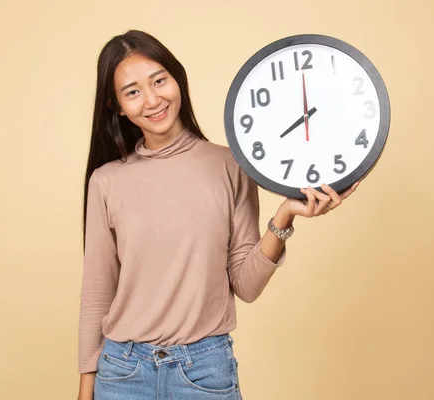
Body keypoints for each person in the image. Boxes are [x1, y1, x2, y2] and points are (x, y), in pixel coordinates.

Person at [77, 29, 360, 400]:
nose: (151, 99)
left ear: (177, 78)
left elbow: (246, 284)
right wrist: (86, 390)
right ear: (117, 107)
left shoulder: (232, 165)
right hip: (122, 374)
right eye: (132, 92)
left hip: (204, 372)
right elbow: (98, 291)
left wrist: (286, 214)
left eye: (159, 80)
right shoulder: (106, 181)